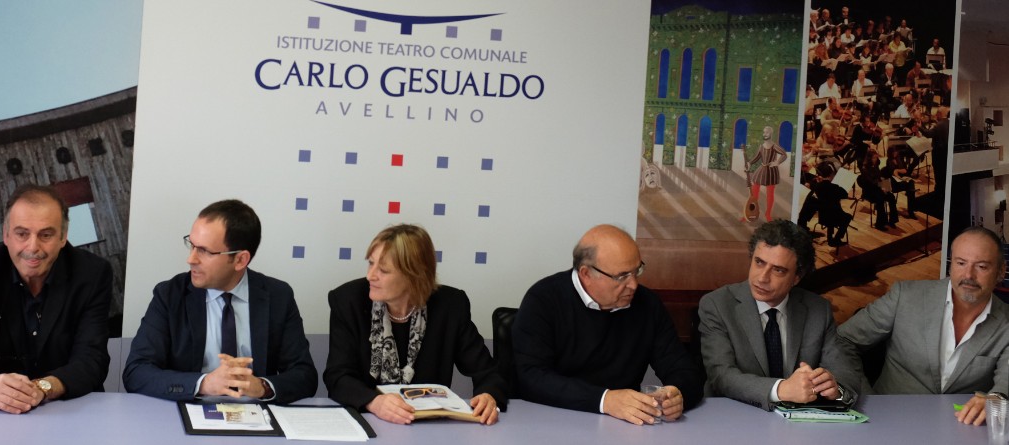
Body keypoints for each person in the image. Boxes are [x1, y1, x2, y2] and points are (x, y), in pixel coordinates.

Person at [0, 184, 112, 414]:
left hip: (68, 411)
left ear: (63, 237)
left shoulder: (92, 273)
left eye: (46, 235)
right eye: (22, 234)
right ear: (6, 235)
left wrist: (42, 388)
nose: (33, 247)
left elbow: (92, 359)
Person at [123, 199, 317, 404]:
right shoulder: (170, 295)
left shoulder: (278, 296)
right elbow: (136, 372)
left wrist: (262, 387)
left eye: (204, 251)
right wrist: (204, 384)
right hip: (187, 410)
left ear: (240, 260)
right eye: (192, 245)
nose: (191, 259)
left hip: (256, 415)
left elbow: (304, 375)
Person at [513, 225, 703, 425]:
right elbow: (531, 377)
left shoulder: (647, 304)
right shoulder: (544, 299)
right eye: (621, 276)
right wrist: (605, 400)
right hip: (551, 421)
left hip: (623, 426)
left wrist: (678, 393)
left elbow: (684, 370)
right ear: (586, 274)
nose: (633, 285)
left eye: (636, 271)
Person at [325, 224, 506, 425]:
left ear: (414, 275)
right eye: (371, 263)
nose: (370, 276)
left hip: (431, 428)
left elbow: (488, 373)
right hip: (369, 422)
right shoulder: (348, 301)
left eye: (383, 270)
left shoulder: (451, 306)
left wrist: (489, 396)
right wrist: (374, 402)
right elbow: (337, 377)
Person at [838, 227, 1009, 426]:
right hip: (886, 419)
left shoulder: (1006, 321)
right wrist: (865, 397)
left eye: (982, 266)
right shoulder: (905, 296)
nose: (968, 275)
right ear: (951, 265)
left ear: (1001, 271)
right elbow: (843, 340)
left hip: (962, 426)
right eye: (961, 263)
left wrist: (997, 399)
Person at [699, 220, 859, 410]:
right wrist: (780, 389)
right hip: (733, 415)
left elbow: (846, 374)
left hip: (798, 422)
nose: (762, 278)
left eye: (778, 270)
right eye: (759, 262)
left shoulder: (818, 309)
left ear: (797, 277)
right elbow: (721, 377)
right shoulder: (717, 305)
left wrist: (834, 388)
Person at [745, 126, 789, 221]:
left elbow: (784, 154)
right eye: (764, 132)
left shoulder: (774, 146)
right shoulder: (761, 146)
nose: (765, 134)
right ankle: (751, 212)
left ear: (771, 134)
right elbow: (757, 157)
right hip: (761, 170)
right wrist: (749, 163)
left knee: (770, 194)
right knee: (754, 191)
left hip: (771, 172)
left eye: (767, 132)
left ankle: (768, 214)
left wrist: (777, 162)